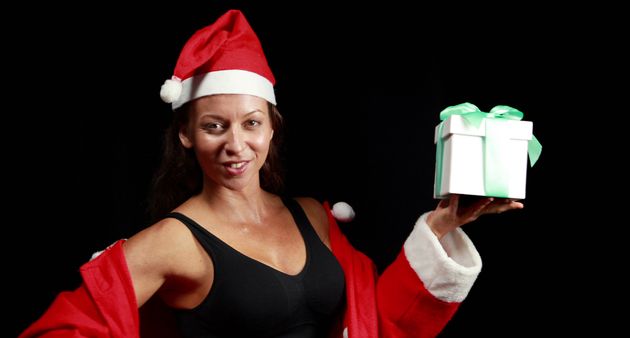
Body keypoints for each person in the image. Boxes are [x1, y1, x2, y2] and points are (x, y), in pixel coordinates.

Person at [19, 9, 524, 338]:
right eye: (214, 126)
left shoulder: (314, 217)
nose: (236, 145)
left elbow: (379, 322)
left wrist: (438, 230)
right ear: (186, 135)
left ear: (271, 128)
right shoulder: (173, 240)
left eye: (251, 123)